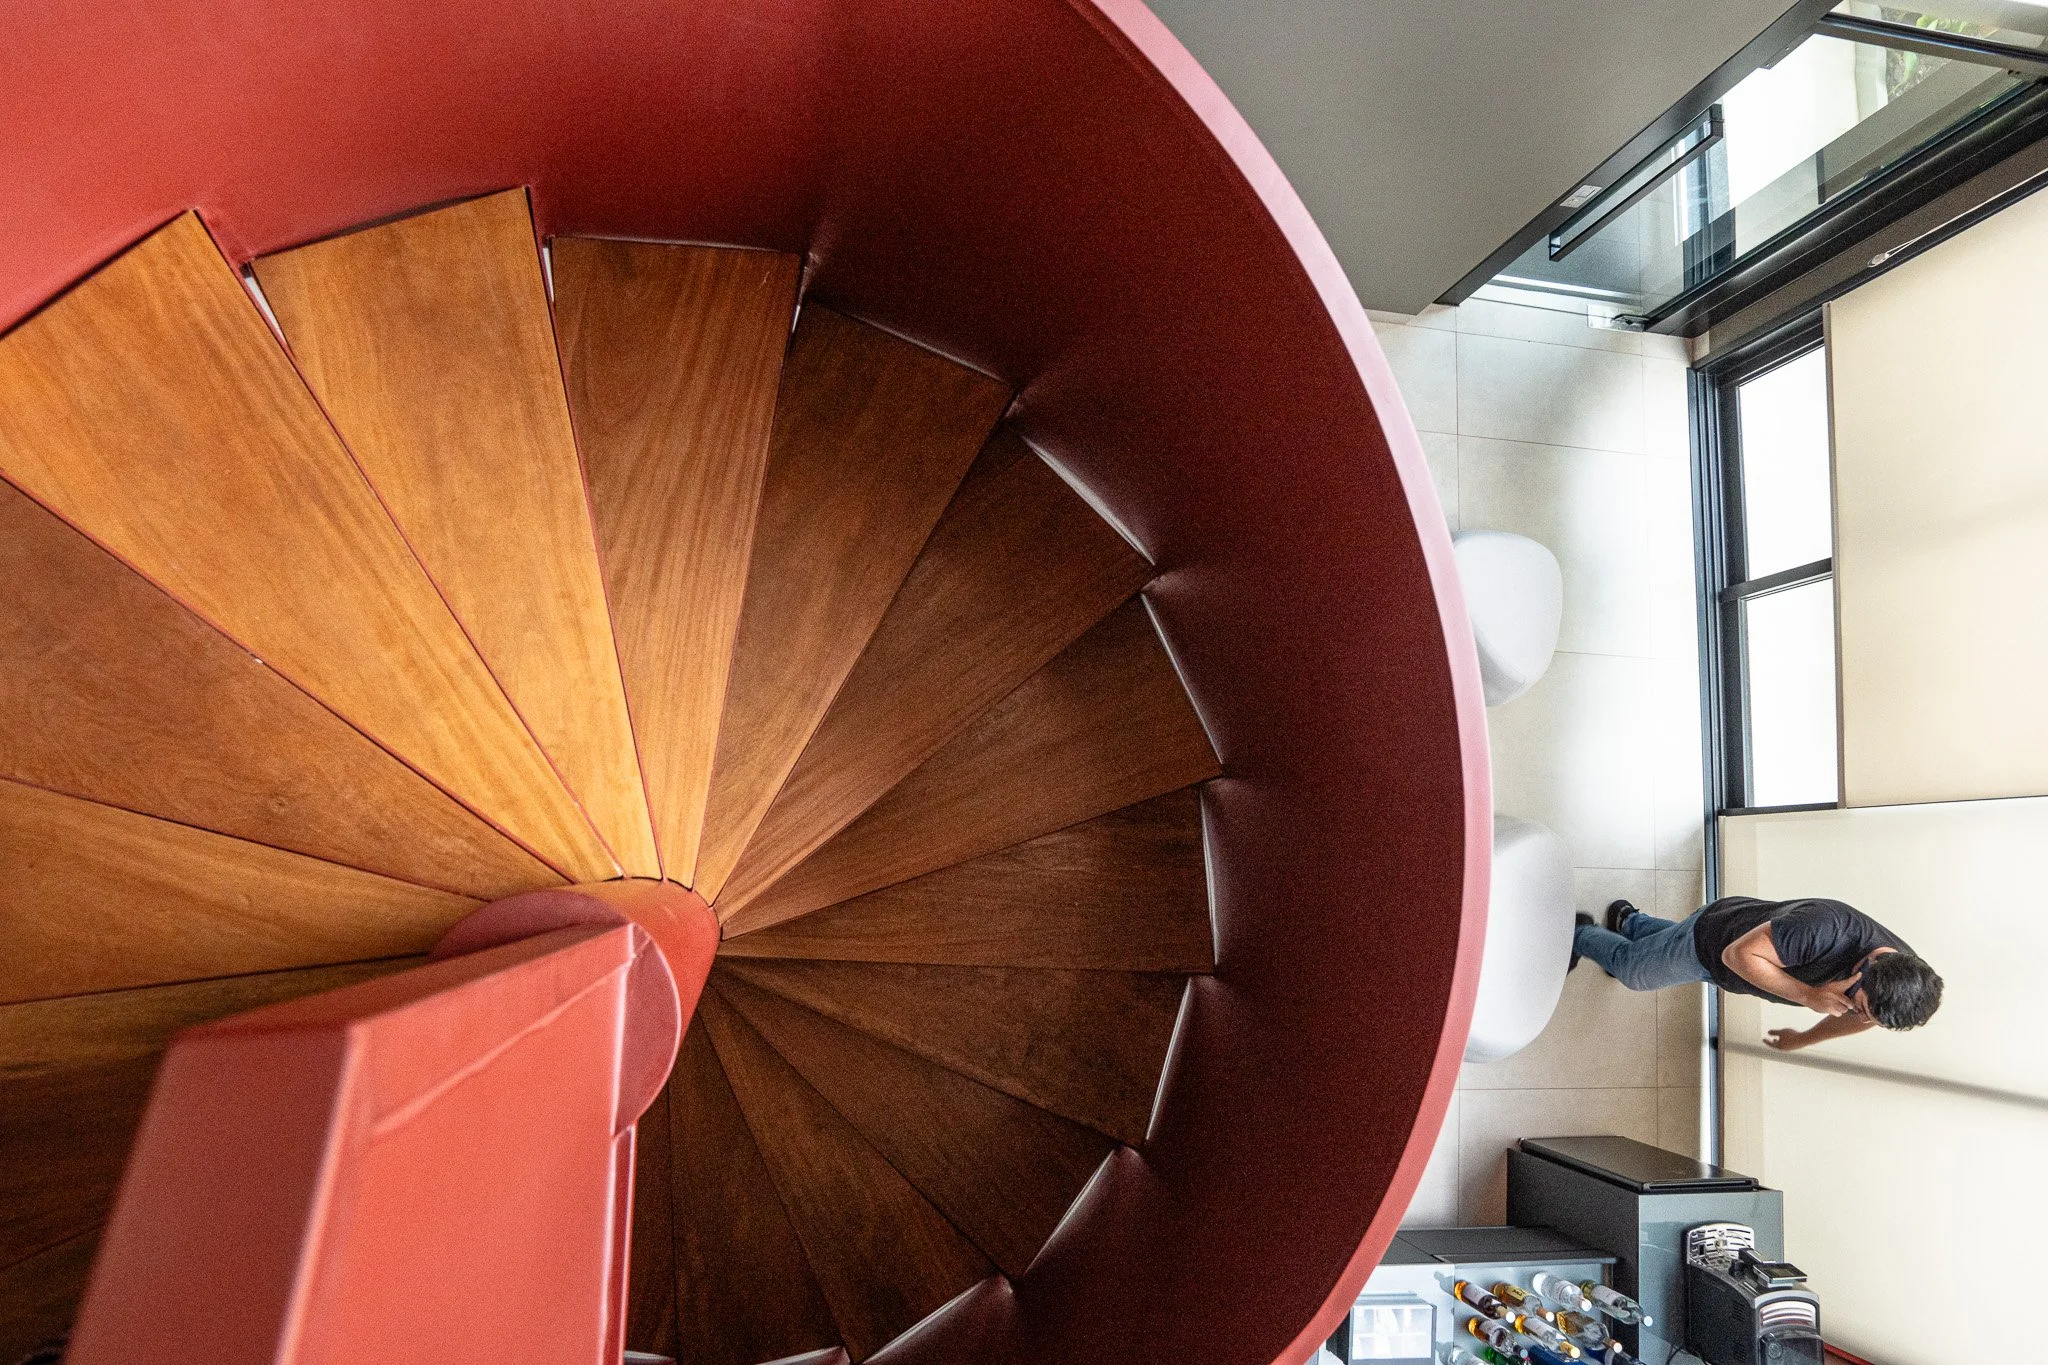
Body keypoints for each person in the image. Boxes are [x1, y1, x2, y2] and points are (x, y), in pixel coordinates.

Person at [1571, 895, 1942, 1050]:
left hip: (1741, 961)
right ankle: (1581, 933)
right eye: (1859, 1006)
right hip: (1714, 942)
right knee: (1634, 973)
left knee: (1665, 944)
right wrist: (1808, 996)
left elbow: (1862, 1019)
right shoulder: (1825, 929)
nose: (1858, 1014)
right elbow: (1737, 956)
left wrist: (1805, 1038)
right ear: (1869, 965)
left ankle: (1631, 921)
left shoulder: (1896, 980)